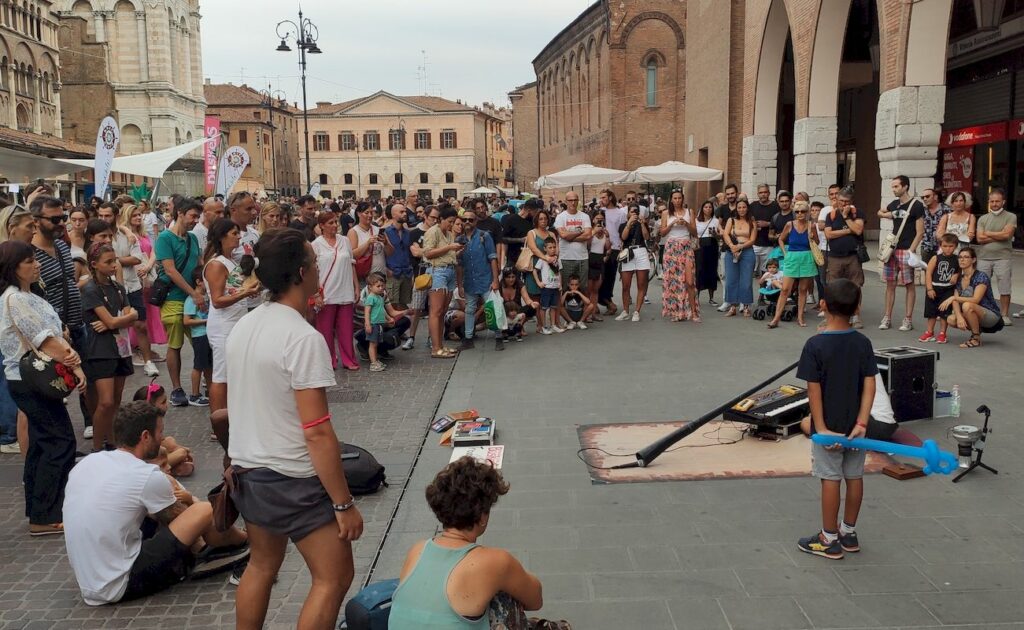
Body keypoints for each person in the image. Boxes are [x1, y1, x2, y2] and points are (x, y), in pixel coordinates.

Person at [226, 228, 364, 630]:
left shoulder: (246, 326)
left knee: (262, 566)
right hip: (293, 477)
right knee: (334, 577)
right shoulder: (302, 338)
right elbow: (317, 430)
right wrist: (343, 503)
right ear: (302, 273)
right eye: (315, 262)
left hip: (250, 470)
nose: (319, 268)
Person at [63, 401, 249, 605]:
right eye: (160, 432)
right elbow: (190, 521)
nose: (161, 439)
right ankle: (243, 541)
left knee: (157, 513)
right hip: (119, 582)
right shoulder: (146, 475)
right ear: (145, 436)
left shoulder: (89, 463)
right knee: (203, 511)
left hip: (88, 580)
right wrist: (242, 537)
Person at [389, 457, 543, 629]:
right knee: (503, 598)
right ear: (483, 517)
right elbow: (535, 599)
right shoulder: (496, 561)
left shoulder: (417, 549)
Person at [0, 240, 85, 535]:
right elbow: (43, 338)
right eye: (28, 261)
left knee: (42, 443)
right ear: (13, 268)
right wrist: (74, 363)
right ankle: (46, 514)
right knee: (60, 442)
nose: (36, 264)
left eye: (34, 259)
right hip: (29, 378)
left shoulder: (27, 294)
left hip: (29, 379)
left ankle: (40, 510)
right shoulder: (16, 298)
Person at [796, 278, 877, 560]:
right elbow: (870, 384)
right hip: (857, 426)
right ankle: (848, 532)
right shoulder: (863, 342)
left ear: (822, 306)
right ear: (857, 308)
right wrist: (862, 422)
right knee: (854, 476)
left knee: (830, 477)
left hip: (829, 425)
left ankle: (828, 538)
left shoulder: (814, 345)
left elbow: (813, 391)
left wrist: (821, 427)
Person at [80, 244, 137, 449]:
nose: (114, 265)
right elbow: (119, 319)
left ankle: (112, 442)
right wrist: (118, 320)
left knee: (116, 399)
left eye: (115, 260)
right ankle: (97, 447)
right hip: (100, 349)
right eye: (109, 262)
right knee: (105, 402)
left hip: (121, 347)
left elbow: (129, 317)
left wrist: (117, 320)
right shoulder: (90, 289)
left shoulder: (118, 288)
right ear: (94, 265)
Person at [202, 218, 258, 413]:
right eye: (234, 233)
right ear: (222, 237)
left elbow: (232, 290)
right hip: (223, 324)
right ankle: (218, 420)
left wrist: (246, 290)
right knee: (221, 374)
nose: (238, 236)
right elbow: (217, 300)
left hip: (235, 320)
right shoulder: (216, 265)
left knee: (233, 372)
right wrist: (245, 293)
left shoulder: (230, 261)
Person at [154, 199, 204, 407]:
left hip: (194, 298)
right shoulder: (165, 238)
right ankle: (176, 388)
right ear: (181, 213)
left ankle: (201, 386)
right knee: (175, 344)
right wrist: (193, 293)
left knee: (202, 342)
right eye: (193, 216)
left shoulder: (193, 238)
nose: (195, 221)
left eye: (197, 217)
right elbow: (170, 270)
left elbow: (200, 265)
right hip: (174, 298)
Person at [112, 205, 158, 378]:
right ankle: (123, 359)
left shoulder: (134, 236)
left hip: (135, 283)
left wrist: (114, 260)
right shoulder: (118, 234)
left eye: (140, 214)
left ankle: (147, 360)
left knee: (141, 323)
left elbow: (137, 257)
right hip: (116, 285)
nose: (139, 217)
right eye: (135, 215)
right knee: (119, 324)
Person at [877, 175, 925, 331]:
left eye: (896, 186)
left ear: (905, 187)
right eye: (893, 186)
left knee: (909, 284)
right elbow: (880, 212)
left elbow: (920, 232)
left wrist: (911, 250)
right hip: (892, 249)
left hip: (906, 248)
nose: (894, 189)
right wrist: (888, 214)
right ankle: (887, 317)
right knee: (890, 284)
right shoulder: (894, 204)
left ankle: (908, 318)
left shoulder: (916, 205)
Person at [313, 212, 360, 370]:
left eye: (335, 222)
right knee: (325, 331)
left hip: (345, 289)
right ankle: (329, 360)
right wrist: (316, 293)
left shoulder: (345, 240)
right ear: (322, 225)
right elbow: (313, 271)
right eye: (330, 223)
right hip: (326, 293)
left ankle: (348, 359)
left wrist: (356, 286)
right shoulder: (316, 244)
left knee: (346, 329)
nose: (334, 225)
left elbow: (351, 263)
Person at [800, 373, 896, 443]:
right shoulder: (861, 354)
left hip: (875, 423)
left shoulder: (845, 361)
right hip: (885, 424)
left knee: (807, 423)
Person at [768, 200, 819, 329]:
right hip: (792, 257)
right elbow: (780, 239)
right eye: (797, 211)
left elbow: (817, 242)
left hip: (807, 257)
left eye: (803, 211)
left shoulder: (811, 225)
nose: (800, 214)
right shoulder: (789, 224)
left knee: (803, 290)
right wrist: (785, 252)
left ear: (807, 212)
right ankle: (776, 318)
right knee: (785, 289)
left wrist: (813, 237)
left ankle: (800, 317)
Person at [942, 247, 1003, 349]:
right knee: (951, 319)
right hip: (973, 313)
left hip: (991, 316)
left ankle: (976, 339)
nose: (962, 259)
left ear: (973, 260)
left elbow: (976, 300)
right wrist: (959, 317)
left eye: (966, 257)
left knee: (967, 305)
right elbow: (956, 301)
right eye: (960, 257)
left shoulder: (981, 276)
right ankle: (976, 330)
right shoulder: (959, 278)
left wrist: (953, 298)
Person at [457, 207, 500, 351]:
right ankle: (468, 338)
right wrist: (459, 284)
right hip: (469, 280)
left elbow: (492, 258)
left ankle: (498, 336)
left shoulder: (484, 236)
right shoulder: (459, 240)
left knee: (491, 308)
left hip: (485, 279)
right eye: (465, 220)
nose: (467, 222)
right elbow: (459, 265)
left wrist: (495, 280)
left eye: (471, 219)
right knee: (469, 309)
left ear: (476, 221)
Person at [823, 187, 865, 329]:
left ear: (851, 201)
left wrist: (847, 217)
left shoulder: (857, 213)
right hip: (835, 257)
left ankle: (856, 316)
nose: (843, 204)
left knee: (856, 286)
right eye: (841, 201)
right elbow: (828, 235)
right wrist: (848, 230)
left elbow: (858, 230)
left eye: (846, 202)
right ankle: (833, 316)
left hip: (852, 256)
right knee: (833, 287)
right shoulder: (831, 215)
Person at [974, 188, 1016, 324]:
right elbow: (979, 239)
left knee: (1004, 286)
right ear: (989, 202)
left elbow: (1007, 235)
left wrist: (988, 233)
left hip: (1003, 257)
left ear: (1003, 202)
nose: (994, 204)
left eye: (997, 201)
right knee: (980, 286)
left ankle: (1004, 315)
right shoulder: (983, 218)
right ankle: (982, 311)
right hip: (984, 257)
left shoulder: (1011, 216)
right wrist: (999, 234)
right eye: (992, 201)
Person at [660, 191, 699, 323]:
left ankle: (693, 312)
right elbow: (662, 233)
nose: (677, 200)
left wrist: (686, 224)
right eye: (674, 198)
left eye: (679, 198)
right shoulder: (666, 213)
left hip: (686, 246)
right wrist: (672, 224)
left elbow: (695, 232)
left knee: (689, 281)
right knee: (674, 281)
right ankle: (676, 311)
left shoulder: (690, 212)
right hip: (671, 247)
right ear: (671, 200)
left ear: (683, 199)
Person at [405, 205, 440, 350]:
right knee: (416, 307)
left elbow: (436, 252)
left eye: (437, 218)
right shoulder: (415, 232)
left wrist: (425, 252)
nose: (435, 221)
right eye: (432, 217)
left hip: (436, 271)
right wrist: (431, 252)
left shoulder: (439, 232)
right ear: (425, 216)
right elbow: (415, 253)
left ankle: (431, 338)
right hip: (421, 273)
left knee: (434, 307)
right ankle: (411, 337)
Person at [919, 234, 960, 344]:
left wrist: (957, 275)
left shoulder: (957, 259)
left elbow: (961, 272)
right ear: (940, 246)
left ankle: (942, 333)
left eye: (951, 246)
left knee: (944, 313)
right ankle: (929, 331)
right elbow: (928, 273)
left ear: (956, 246)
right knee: (931, 312)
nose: (948, 248)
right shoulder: (935, 258)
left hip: (948, 289)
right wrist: (929, 288)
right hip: (934, 288)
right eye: (945, 246)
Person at [616, 203, 651, 322]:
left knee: (641, 284)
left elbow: (646, 237)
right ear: (627, 213)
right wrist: (629, 223)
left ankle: (637, 311)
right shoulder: (623, 225)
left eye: (636, 211)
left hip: (640, 251)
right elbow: (624, 237)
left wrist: (642, 223)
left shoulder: (642, 223)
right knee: (626, 285)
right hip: (628, 252)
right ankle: (625, 311)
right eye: (632, 212)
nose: (634, 214)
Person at [524, 209, 558, 331]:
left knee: (550, 296)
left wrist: (553, 259)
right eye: (541, 219)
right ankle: (540, 324)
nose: (543, 221)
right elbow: (533, 248)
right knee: (536, 297)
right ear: (536, 221)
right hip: (535, 268)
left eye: (545, 218)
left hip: (550, 269)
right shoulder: (531, 233)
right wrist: (546, 258)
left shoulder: (552, 234)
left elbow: (557, 249)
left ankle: (551, 323)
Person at [183, 267, 212, 407]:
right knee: (199, 365)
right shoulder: (192, 299)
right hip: (199, 336)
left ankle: (211, 392)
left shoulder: (208, 297)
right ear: (198, 281)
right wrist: (205, 321)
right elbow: (187, 321)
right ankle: (194, 394)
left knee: (208, 366)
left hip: (208, 335)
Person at [721, 199, 756, 317]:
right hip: (732, 251)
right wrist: (732, 247)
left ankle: (746, 305)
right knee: (731, 280)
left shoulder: (751, 221)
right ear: (736, 209)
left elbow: (752, 239)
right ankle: (732, 306)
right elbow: (725, 234)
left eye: (744, 207)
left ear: (747, 208)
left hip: (747, 251)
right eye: (739, 207)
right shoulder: (731, 220)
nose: (741, 209)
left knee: (746, 280)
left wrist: (740, 246)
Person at [553, 191, 592, 289]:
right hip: (566, 258)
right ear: (566, 202)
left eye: (575, 200)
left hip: (582, 257)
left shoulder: (585, 216)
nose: (573, 203)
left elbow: (588, 236)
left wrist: (570, 237)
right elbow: (563, 235)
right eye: (570, 200)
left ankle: (581, 305)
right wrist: (579, 232)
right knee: (566, 287)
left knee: (583, 287)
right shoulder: (560, 217)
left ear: (578, 201)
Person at [597, 190, 625, 314]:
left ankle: (608, 302)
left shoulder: (620, 213)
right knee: (598, 277)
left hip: (614, 248)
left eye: (604, 197)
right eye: (601, 197)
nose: (602, 199)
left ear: (610, 197)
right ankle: (600, 302)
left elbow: (623, 231)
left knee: (609, 276)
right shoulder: (600, 212)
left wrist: (621, 247)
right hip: (599, 247)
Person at [350, 201, 393, 280]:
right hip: (365, 278)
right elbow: (352, 255)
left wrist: (386, 243)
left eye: (371, 212)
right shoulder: (353, 231)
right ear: (359, 214)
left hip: (381, 277)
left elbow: (390, 253)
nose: (370, 215)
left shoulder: (378, 229)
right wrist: (367, 243)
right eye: (366, 213)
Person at [384, 203, 415, 310]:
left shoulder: (407, 233)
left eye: (405, 211)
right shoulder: (386, 232)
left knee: (404, 305)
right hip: (393, 273)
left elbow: (410, 253)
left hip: (407, 273)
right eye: (401, 212)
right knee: (392, 305)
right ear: (393, 215)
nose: (405, 214)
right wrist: (386, 269)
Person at [362, 272, 392, 372]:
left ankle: (375, 360)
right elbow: (367, 311)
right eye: (378, 286)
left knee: (376, 343)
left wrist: (388, 318)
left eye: (382, 286)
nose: (381, 288)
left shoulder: (380, 297)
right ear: (370, 287)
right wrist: (368, 324)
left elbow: (382, 310)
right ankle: (373, 363)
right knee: (373, 344)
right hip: (373, 324)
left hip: (379, 324)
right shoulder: (370, 298)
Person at [533, 238, 563, 335]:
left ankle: (553, 325)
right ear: (545, 248)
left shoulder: (557, 259)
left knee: (553, 307)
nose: (553, 249)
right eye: (550, 247)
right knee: (544, 307)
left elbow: (559, 272)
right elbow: (534, 271)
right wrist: (539, 282)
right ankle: (543, 326)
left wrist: (560, 284)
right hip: (546, 287)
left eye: (554, 247)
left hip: (555, 287)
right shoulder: (543, 259)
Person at [749, 184, 780, 274]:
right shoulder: (752, 206)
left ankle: (766, 287)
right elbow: (747, 220)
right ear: (757, 194)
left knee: (768, 272)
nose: (763, 194)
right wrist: (753, 225)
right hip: (754, 243)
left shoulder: (776, 206)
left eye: (765, 192)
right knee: (751, 272)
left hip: (769, 245)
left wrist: (768, 224)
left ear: (769, 193)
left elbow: (780, 222)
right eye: (761, 192)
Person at [695, 200, 720, 305]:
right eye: (706, 207)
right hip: (700, 246)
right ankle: (697, 297)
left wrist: (716, 235)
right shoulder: (696, 220)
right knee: (699, 270)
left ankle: (711, 297)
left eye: (710, 207)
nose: (708, 209)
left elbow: (719, 235)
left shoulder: (716, 221)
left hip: (712, 245)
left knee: (712, 270)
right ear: (702, 209)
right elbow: (693, 233)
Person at [587, 211, 609, 322]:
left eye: (601, 219)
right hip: (591, 260)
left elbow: (608, 247)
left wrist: (608, 236)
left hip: (600, 260)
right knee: (589, 289)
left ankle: (594, 311)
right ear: (593, 219)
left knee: (596, 290)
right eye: (597, 218)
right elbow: (587, 245)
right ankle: (588, 313)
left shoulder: (604, 233)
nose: (599, 221)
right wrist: (594, 232)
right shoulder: (591, 231)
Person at [919, 188, 950, 264]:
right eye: (922, 197)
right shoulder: (922, 210)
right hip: (926, 248)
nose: (925, 199)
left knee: (941, 271)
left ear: (935, 197)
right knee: (927, 272)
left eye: (927, 196)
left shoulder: (946, 210)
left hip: (942, 247)